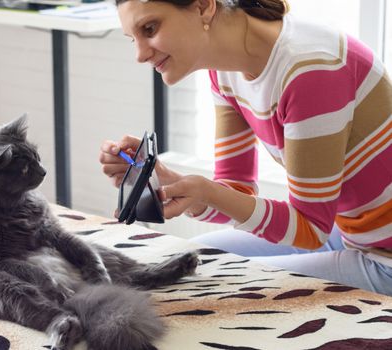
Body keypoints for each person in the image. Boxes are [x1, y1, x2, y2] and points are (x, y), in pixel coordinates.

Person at [98, 0, 392, 296]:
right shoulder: (225, 72)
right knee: (189, 260)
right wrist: (169, 181)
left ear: (202, 6)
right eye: (132, 39)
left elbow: (310, 229)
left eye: (149, 28)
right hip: (349, 234)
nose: (139, 54)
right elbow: (235, 191)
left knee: (207, 287)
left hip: (385, 257)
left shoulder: (310, 69)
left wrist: (206, 191)